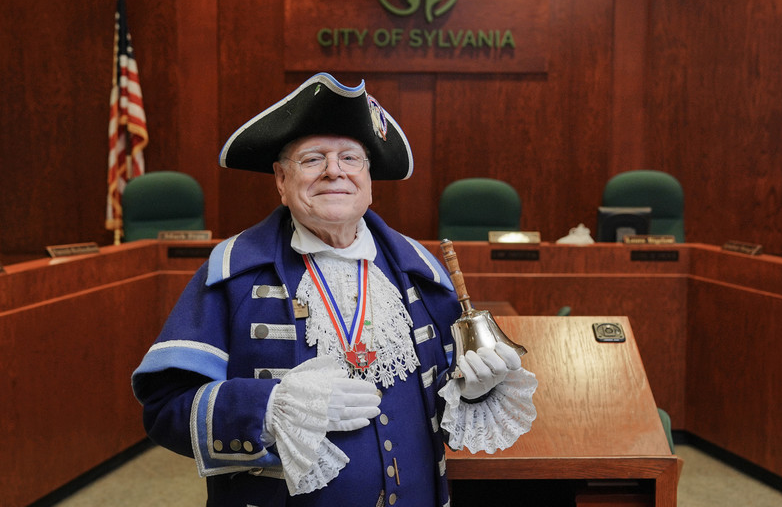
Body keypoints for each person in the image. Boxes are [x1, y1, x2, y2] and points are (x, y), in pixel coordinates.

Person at [132, 72, 538, 507]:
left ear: (368, 180)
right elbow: (166, 409)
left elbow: (444, 396)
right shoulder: (233, 274)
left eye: (350, 158)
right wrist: (268, 409)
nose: (334, 172)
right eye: (311, 160)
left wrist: (472, 392)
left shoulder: (421, 273)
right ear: (281, 181)